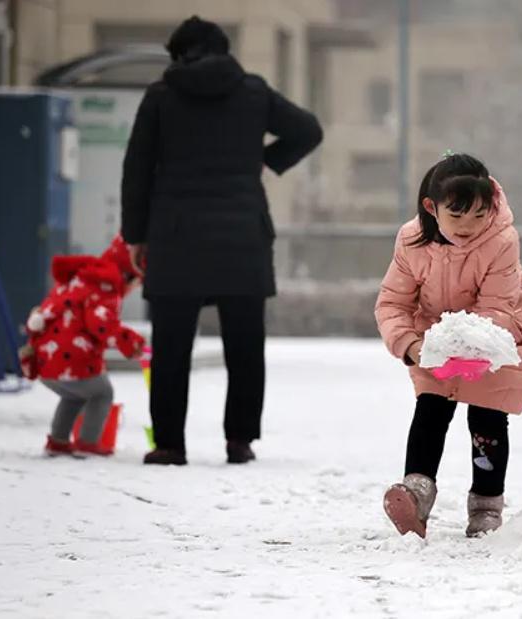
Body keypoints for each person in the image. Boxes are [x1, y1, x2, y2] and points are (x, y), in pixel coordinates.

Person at [120, 16, 323, 465]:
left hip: (176, 236)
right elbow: (308, 130)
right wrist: (264, 161)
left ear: (180, 54)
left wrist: (135, 236)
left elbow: (136, 170)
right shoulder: (253, 91)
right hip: (242, 235)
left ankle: (170, 444)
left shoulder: (160, 97)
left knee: (172, 345)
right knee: (245, 344)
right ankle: (240, 440)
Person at [375, 153, 522, 538]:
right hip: (435, 337)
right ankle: (417, 493)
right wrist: (412, 344)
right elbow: (393, 303)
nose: (468, 226)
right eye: (456, 215)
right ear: (431, 208)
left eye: (479, 214)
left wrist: (469, 346)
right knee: (431, 408)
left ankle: (486, 505)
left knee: (486, 417)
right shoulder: (410, 240)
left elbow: (496, 306)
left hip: (501, 334)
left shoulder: (502, 240)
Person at [20, 235, 145, 456]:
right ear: (129, 273)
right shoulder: (106, 283)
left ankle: (57, 441)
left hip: (44, 361)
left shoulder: (82, 277)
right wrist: (130, 342)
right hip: (71, 357)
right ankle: (88, 443)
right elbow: (101, 322)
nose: (134, 288)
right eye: (136, 281)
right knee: (102, 393)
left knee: (74, 395)